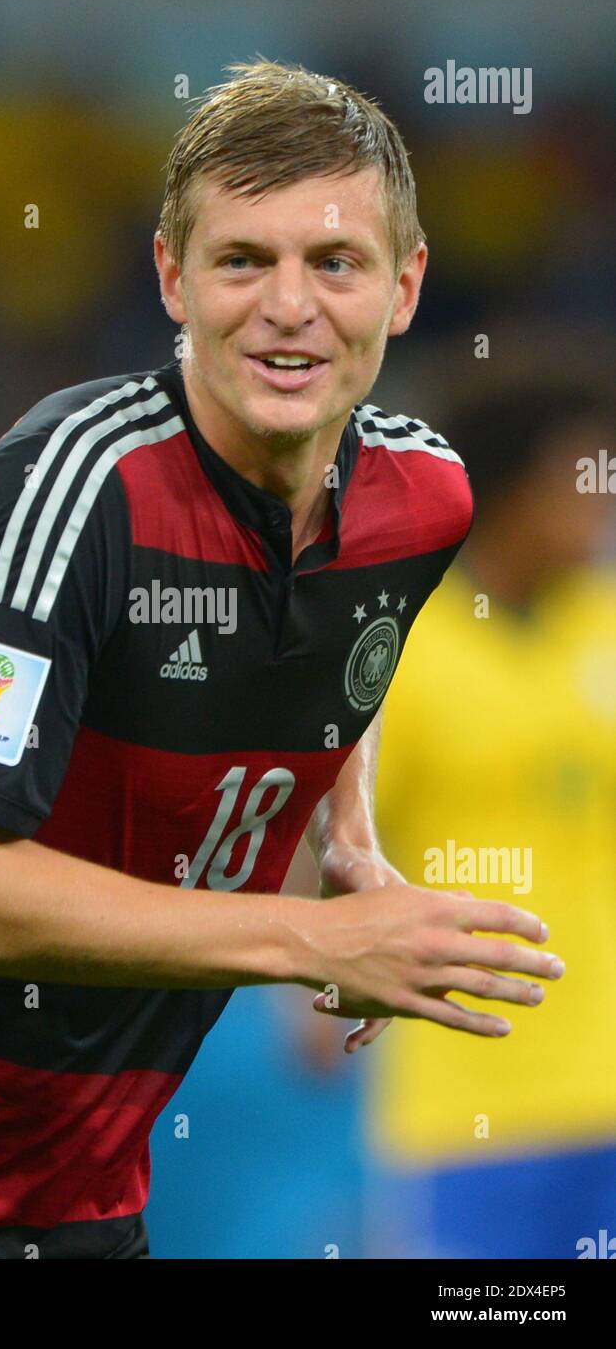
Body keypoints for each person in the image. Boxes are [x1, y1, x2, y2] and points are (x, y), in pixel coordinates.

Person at [0, 58, 562, 1261]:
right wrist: (310, 940)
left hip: (87, 1202)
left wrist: (348, 846)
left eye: (333, 262)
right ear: (172, 278)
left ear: (404, 288)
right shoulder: (78, 490)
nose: (289, 305)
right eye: (242, 260)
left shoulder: (425, 496)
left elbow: (350, 641)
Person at [366, 375, 616, 1258]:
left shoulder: (608, 625)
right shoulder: (405, 648)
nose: (603, 493)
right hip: (468, 1103)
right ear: (510, 484)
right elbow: (333, 850)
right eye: (580, 473)